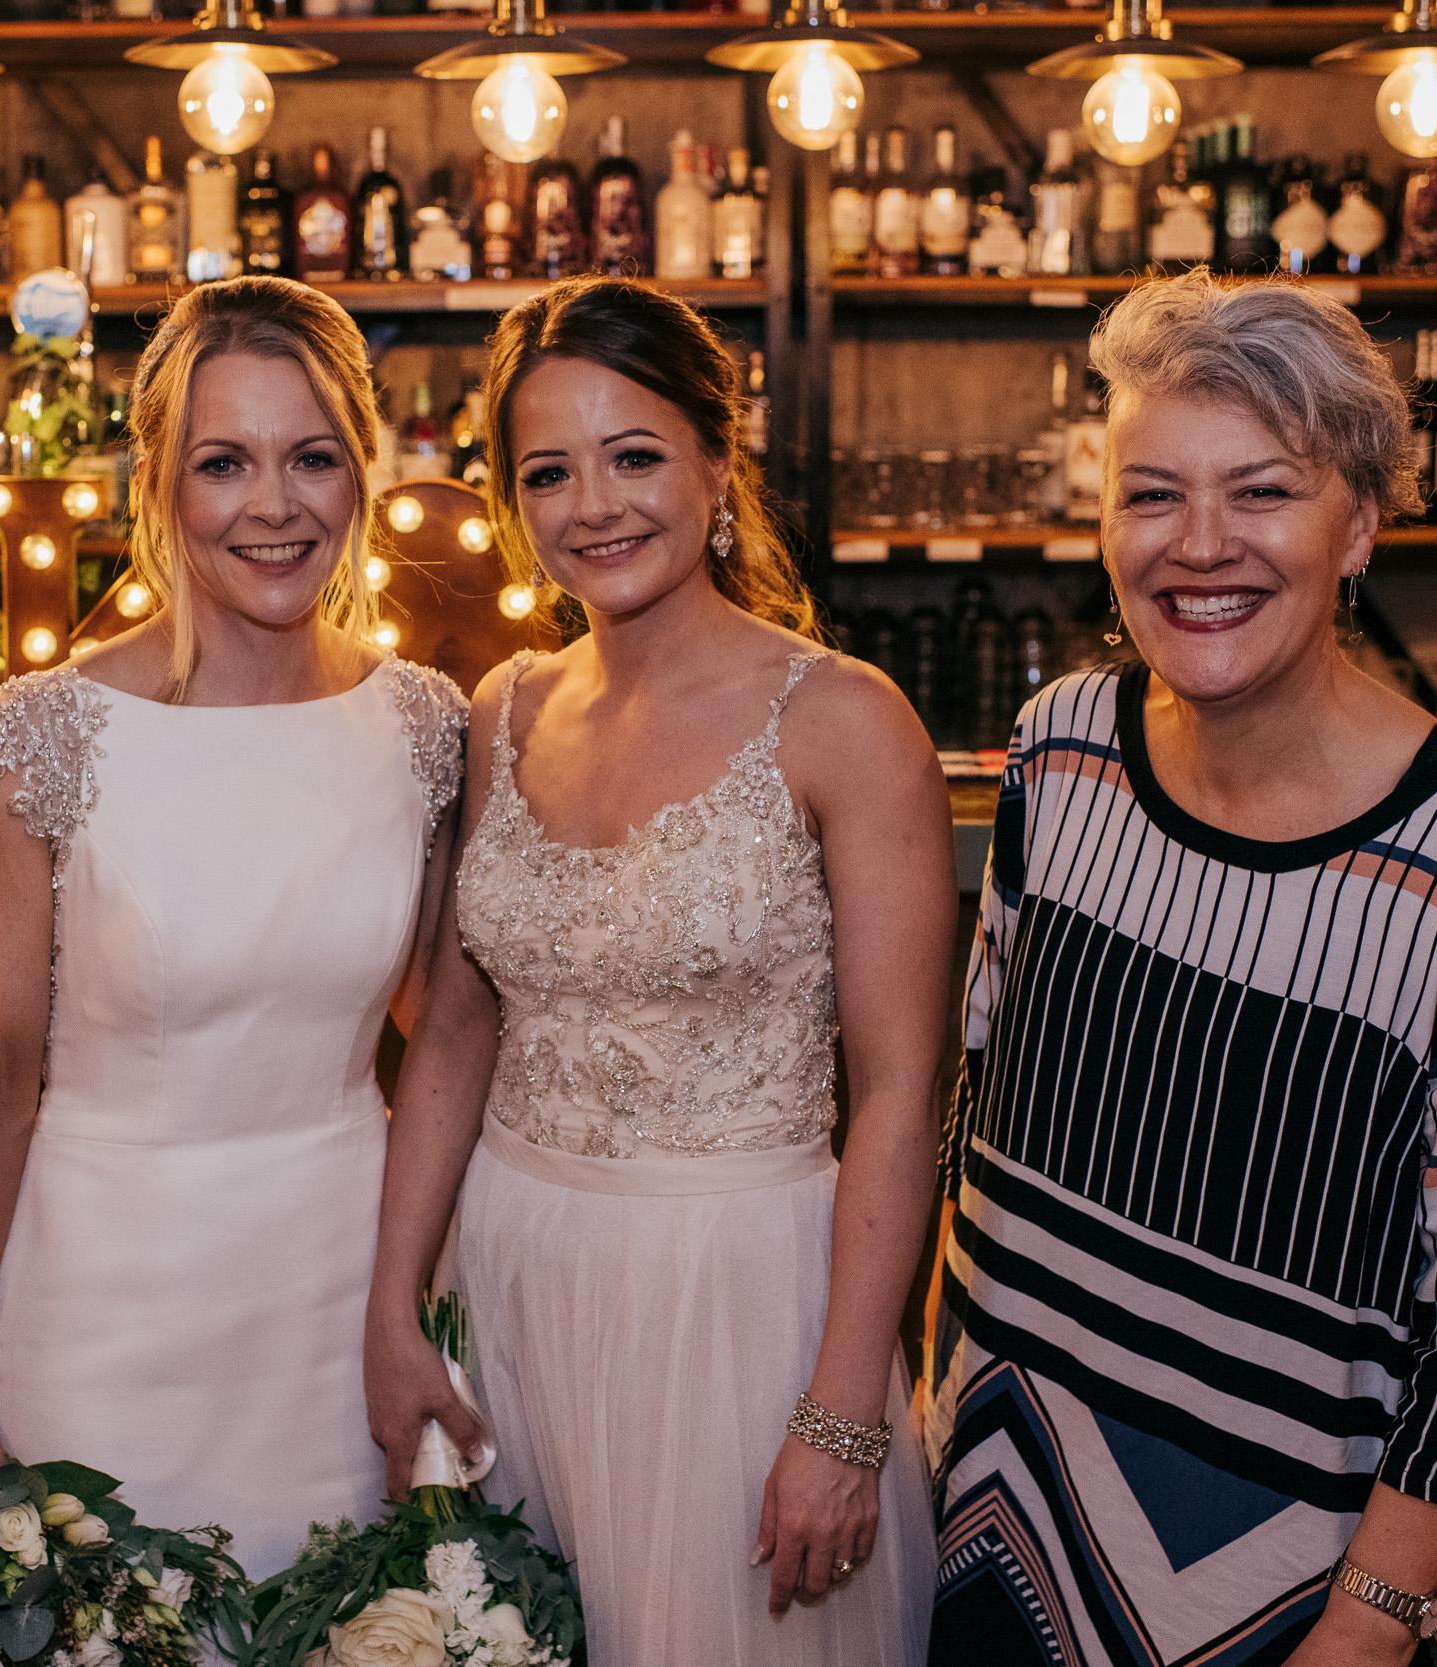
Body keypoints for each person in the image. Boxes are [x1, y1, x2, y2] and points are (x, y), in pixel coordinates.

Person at [923, 272, 1437, 1667]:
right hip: (991, 1514)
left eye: (1263, 491)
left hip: (1278, 1595)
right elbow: (978, 1109)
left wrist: (1367, 1627)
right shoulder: (1062, 749)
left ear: (1363, 523)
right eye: (1150, 492)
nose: (1198, 544)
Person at [362, 276, 948, 1665]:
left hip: (736, 1298)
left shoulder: (844, 720)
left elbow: (904, 1093)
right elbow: (451, 1032)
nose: (594, 505)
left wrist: (843, 1409)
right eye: (548, 471)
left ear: (715, 465)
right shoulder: (504, 708)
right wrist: (394, 1309)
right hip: (506, 1272)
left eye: (634, 455)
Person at [0, 276, 466, 1593]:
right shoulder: (41, 736)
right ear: (156, 481)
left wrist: (435, 1299)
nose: (275, 504)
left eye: (313, 456)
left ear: (361, 475)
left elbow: (443, 1033)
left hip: (341, 1304)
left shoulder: (424, 726)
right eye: (226, 462)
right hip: (101, 1310)